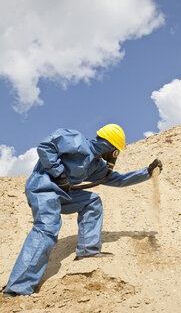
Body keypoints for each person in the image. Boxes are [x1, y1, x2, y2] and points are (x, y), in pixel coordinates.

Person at [3, 124, 162, 297]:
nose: (115, 156)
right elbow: (46, 147)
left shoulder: (96, 166)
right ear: (111, 147)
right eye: (116, 151)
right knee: (47, 229)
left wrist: (146, 172)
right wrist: (58, 174)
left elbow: (117, 180)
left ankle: (88, 250)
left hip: (63, 193)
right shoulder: (76, 140)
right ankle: (16, 289)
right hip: (43, 188)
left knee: (92, 201)